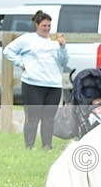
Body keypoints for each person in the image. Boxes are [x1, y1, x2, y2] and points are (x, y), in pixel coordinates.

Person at [4, 10, 68, 150]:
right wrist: (22, 63)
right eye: (44, 25)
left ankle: (47, 146)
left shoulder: (55, 41)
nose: (46, 28)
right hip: (33, 84)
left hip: (54, 84)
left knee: (49, 119)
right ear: (36, 24)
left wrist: (63, 47)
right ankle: (29, 147)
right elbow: (8, 51)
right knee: (33, 118)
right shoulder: (27, 39)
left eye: (49, 26)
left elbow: (64, 62)